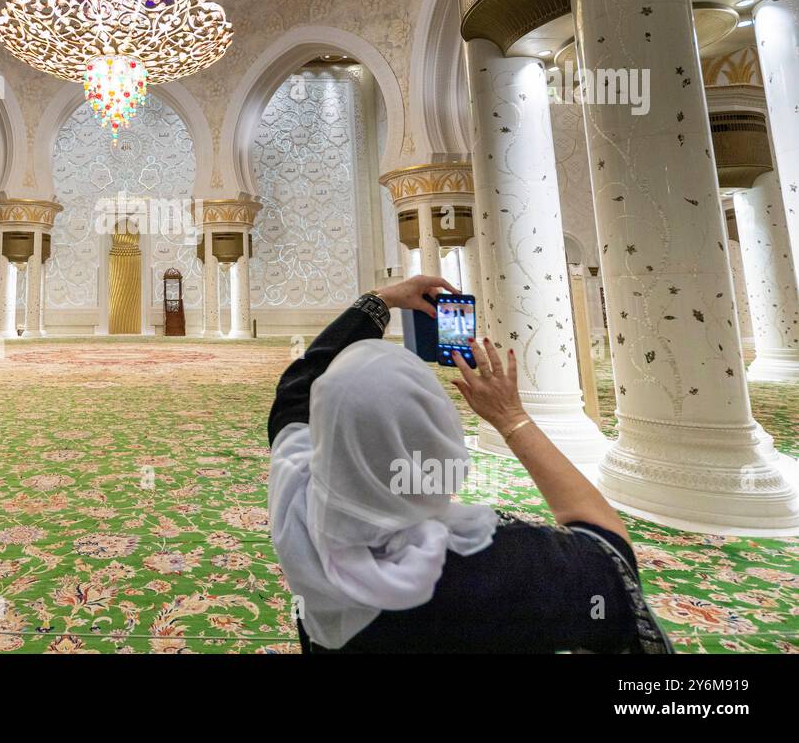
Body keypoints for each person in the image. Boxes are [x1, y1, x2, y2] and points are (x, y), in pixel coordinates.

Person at [267, 275, 670, 654]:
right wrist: (511, 419)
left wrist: (380, 301)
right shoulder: (502, 565)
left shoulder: (299, 506)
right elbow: (610, 552)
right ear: (441, 442)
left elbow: (294, 395)